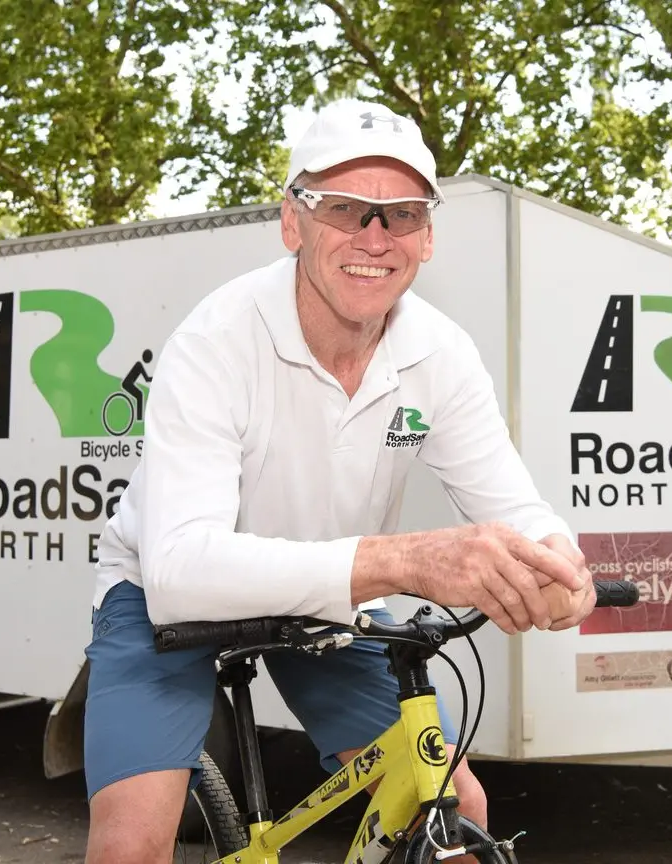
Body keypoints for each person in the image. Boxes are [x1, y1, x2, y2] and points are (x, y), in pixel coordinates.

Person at [81, 98, 596, 864]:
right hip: (165, 594)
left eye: (402, 213)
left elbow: (512, 503)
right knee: (132, 844)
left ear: (427, 236)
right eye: (345, 208)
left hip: (328, 596)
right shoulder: (217, 340)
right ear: (293, 222)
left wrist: (562, 564)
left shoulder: (440, 357)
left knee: (453, 808)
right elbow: (181, 570)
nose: (374, 237)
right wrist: (406, 562)